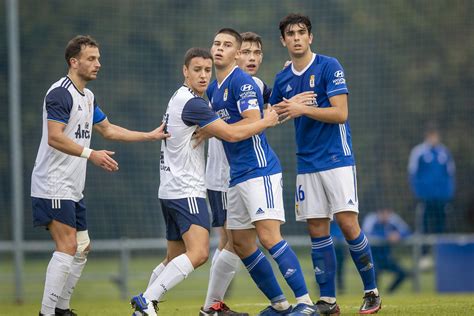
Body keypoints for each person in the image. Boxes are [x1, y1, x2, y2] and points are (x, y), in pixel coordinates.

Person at [130, 47, 279, 316]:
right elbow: (232, 135)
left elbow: (210, 128)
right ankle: (146, 300)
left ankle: (144, 307)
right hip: (186, 190)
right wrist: (266, 121)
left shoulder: (182, 98)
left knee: (174, 258)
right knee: (198, 253)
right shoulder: (194, 103)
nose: (203, 75)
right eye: (197, 70)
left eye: (207, 70)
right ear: (185, 71)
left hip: (169, 189)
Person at [30, 35, 170, 316]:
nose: (98, 64)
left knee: (82, 247)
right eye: (91, 59)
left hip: (72, 187)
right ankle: (47, 313)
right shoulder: (59, 93)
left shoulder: (88, 96)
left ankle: (62, 309)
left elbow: (108, 130)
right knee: (68, 246)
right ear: (74, 62)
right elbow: (55, 138)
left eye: (98, 58)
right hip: (53, 184)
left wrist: (150, 135)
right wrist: (90, 154)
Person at [270, 14, 382, 314]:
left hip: (336, 158)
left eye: (301, 32)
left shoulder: (329, 66)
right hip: (306, 162)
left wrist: (302, 109)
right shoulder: (282, 79)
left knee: (347, 224)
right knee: (317, 230)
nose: (296, 37)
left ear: (311, 37)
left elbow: (341, 113)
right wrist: (285, 110)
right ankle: (328, 301)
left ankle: (371, 291)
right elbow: (276, 114)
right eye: (290, 33)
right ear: (283, 40)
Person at [207, 28, 317, 316]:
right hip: (236, 176)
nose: (220, 49)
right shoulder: (215, 87)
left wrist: (229, 131)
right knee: (241, 243)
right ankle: (280, 305)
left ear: (236, 53)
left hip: (259, 171)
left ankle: (305, 303)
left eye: (228, 45)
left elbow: (255, 120)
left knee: (269, 237)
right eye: (216, 44)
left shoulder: (242, 83)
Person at [200, 31, 273, 316]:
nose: (251, 58)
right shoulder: (219, 86)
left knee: (237, 240)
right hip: (222, 175)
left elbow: (276, 104)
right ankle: (211, 305)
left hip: (245, 172)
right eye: (246, 52)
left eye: (256, 53)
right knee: (232, 241)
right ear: (236, 55)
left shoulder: (256, 86)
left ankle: (213, 304)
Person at [408, 122, 455, 265]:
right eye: (432, 136)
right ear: (427, 137)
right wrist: (419, 193)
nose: (434, 139)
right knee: (424, 225)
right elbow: (413, 174)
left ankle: (439, 255)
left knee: (440, 226)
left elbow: (450, 174)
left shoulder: (444, 153)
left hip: (442, 198)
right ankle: (424, 255)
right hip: (425, 198)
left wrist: (448, 194)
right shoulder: (419, 152)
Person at [363, 208, 411, 293]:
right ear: (378, 213)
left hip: (387, 258)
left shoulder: (393, 219)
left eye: (387, 214)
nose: (386, 216)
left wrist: (398, 235)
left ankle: (389, 293)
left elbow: (407, 231)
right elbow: (365, 234)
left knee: (403, 274)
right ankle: (374, 295)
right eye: (383, 214)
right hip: (373, 257)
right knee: (374, 274)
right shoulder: (371, 219)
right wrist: (387, 236)